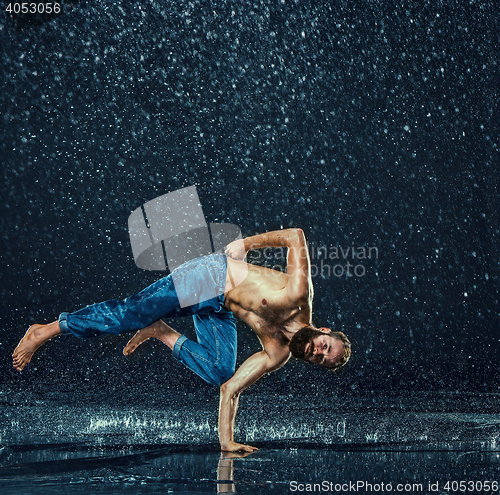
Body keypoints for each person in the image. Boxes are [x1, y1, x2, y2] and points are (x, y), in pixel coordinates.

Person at [12, 228, 351, 452]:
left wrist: (226, 442)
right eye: (326, 346)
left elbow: (229, 390)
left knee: (220, 370)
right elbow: (295, 237)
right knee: (130, 315)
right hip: (209, 276)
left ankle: (161, 330)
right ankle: (47, 329)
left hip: (218, 309)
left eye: (321, 359)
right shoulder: (297, 294)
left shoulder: (277, 352)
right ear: (323, 331)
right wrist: (247, 244)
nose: (318, 352)